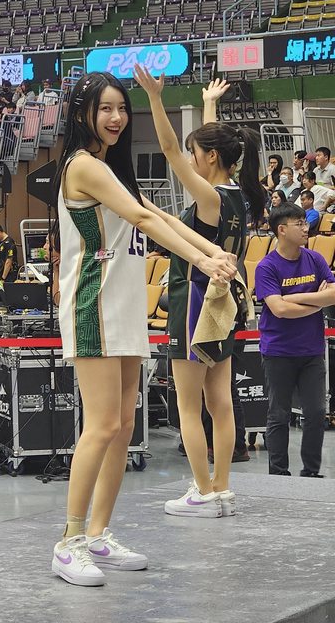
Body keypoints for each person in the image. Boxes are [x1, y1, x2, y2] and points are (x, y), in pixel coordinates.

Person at [51, 71, 237, 588]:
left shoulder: (111, 168)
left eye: (121, 108)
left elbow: (162, 215)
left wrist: (212, 250)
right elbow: (143, 219)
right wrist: (201, 262)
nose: (115, 118)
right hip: (92, 306)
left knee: (124, 427)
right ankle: (68, 542)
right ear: (82, 113)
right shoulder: (83, 166)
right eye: (105, 108)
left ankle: (98, 533)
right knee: (102, 425)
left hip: (125, 306)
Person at [135, 68, 265, 519]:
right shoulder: (239, 196)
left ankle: (203, 492)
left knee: (189, 407)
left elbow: (171, 149)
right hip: (224, 305)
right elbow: (207, 148)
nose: (189, 160)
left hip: (194, 299)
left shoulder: (210, 198)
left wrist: (155, 98)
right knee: (220, 402)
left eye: (198, 154)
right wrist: (209, 105)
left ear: (210, 157)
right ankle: (222, 490)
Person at [255, 202, 335, 477]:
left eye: (305, 222)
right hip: (278, 350)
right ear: (281, 230)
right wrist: (317, 301)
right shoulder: (267, 267)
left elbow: (333, 294)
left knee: (316, 412)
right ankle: (279, 473)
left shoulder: (315, 259)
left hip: (311, 350)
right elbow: (279, 309)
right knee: (279, 414)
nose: (305, 228)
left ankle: (311, 471)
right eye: (299, 223)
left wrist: (295, 297)